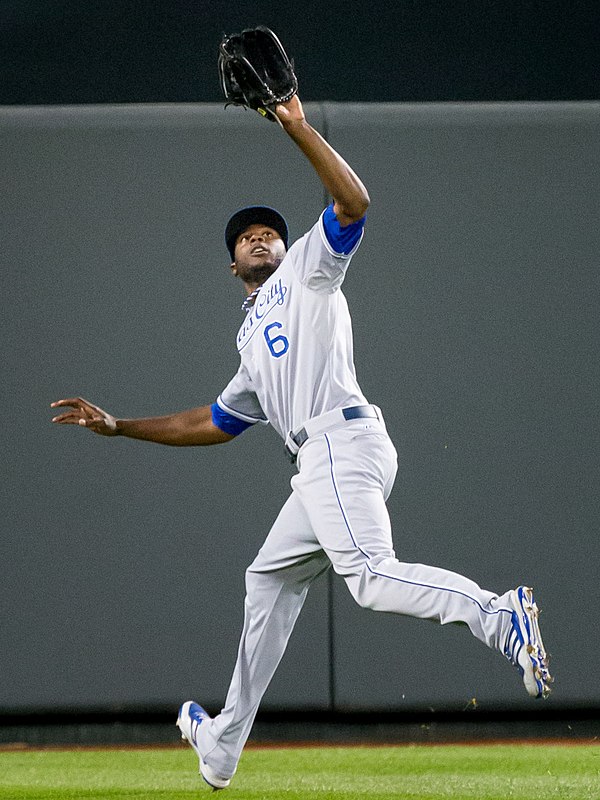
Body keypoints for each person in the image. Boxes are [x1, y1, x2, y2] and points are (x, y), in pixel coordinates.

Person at [51, 93, 551, 790]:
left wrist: (297, 126)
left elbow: (354, 203)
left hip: (339, 446)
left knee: (372, 578)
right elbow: (215, 422)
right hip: (320, 462)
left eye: (268, 231)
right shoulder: (249, 335)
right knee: (268, 580)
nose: (259, 236)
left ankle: (498, 615)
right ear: (232, 266)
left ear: (287, 247)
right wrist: (120, 426)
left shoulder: (307, 271)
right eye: (245, 235)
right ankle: (222, 743)